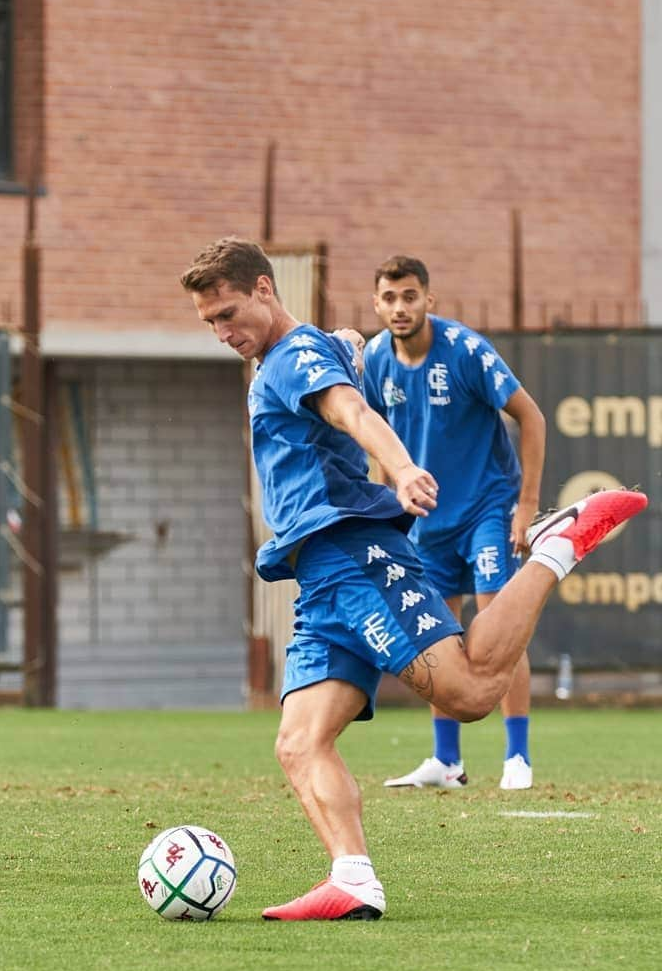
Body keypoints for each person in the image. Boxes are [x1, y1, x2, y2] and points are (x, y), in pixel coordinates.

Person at [179, 236, 646, 921]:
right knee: (299, 742)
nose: (222, 332)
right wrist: (342, 340)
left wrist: (399, 468)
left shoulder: (293, 357)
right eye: (209, 323)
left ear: (264, 289)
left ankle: (553, 547)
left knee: (470, 692)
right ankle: (354, 879)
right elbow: (344, 359)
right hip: (319, 581)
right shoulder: (304, 350)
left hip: (355, 557)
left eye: (228, 313)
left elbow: (353, 412)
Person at [363, 255, 545, 791]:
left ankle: (517, 756)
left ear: (428, 300)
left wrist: (527, 503)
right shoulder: (374, 359)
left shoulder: (465, 350)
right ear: (377, 303)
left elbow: (530, 416)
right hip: (423, 520)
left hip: (486, 508)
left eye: (410, 296)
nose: (400, 307)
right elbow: (377, 437)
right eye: (390, 298)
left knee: (498, 632)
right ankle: (447, 762)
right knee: (438, 639)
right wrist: (386, 508)